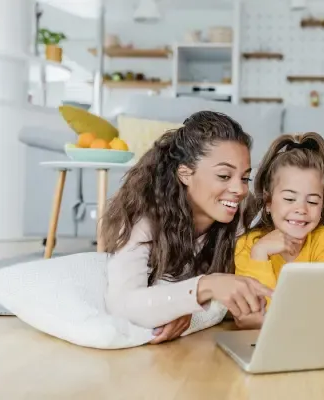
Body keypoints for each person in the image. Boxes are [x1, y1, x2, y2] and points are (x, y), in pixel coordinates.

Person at [101, 111, 273, 344]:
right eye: (224, 175)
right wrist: (204, 287)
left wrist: (190, 313)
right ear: (185, 173)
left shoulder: (241, 215)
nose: (240, 190)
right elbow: (122, 305)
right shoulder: (144, 219)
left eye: (244, 178)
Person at [233, 132, 324, 329]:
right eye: (289, 199)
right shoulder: (248, 245)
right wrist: (260, 253)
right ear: (268, 202)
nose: (301, 209)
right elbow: (254, 313)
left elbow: (319, 310)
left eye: (312, 201)